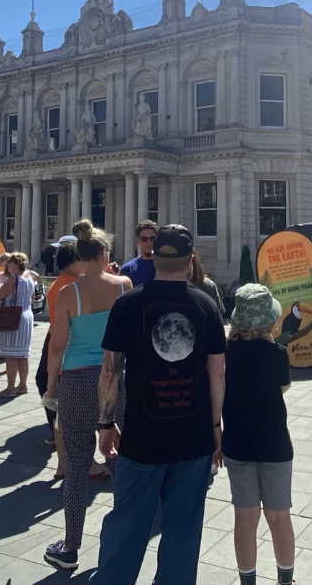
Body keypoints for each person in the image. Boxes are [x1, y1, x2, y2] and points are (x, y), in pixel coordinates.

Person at [90, 224, 227, 585]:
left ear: (154, 258)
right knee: (184, 528)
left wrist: (105, 424)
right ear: (190, 260)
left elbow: (110, 372)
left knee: (128, 522)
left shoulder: (128, 303)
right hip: (193, 434)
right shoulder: (206, 305)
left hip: (142, 433)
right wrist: (216, 427)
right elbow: (218, 373)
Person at [42, 221, 129, 570]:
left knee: (77, 463)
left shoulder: (67, 294)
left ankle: (70, 545)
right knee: (119, 456)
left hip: (76, 378)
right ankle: (125, 535)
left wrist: (51, 387)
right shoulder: (124, 286)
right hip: (117, 377)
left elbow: (57, 347)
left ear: (79, 255)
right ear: (105, 253)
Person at [223, 284, 295, 585]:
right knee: (279, 516)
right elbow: (282, 389)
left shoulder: (224, 355)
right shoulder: (277, 354)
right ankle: (284, 579)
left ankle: (247, 580)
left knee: (245, 516)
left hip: (237, 441)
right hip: (274, 442)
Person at [36, 237, 79, 455]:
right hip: (68, 347)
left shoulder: (59, 283)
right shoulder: (71, 285)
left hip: (60, 343)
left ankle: (57, 436)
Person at [0, 252, 36, 398]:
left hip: (13, 317)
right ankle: (23, 385)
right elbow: (32, 299)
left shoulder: (13, 279)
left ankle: (10, 388)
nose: (7, 265)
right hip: (26, 315)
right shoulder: (29, 278)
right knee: (23, 354)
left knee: (11, 354)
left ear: (16, 264)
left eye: (10, 262)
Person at [118, 220, 157, 287]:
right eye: (144, 239)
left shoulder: (164, 267)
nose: (149, 243)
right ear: (138, 241)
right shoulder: (128, 269)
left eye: (152, 238)